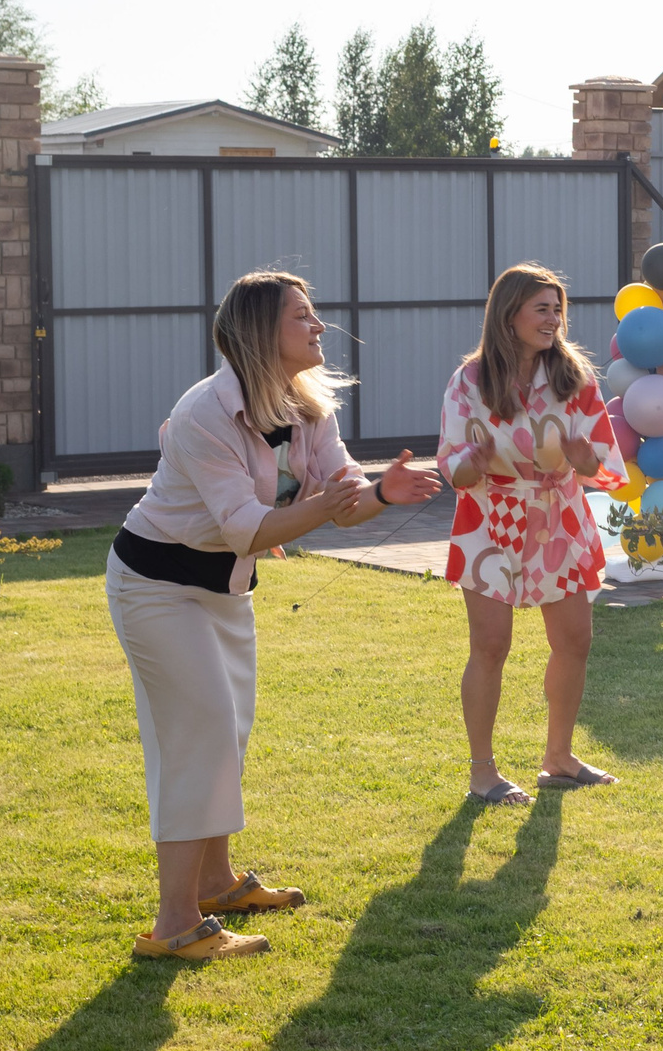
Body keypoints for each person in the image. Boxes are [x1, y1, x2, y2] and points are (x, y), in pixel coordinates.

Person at [108, 271, 442, 961]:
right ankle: (173, 927)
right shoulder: (205, 412)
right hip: (155, 584)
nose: (320, 326)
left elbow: (344, 499)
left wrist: (381, 492)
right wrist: (344, 500)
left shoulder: (309, 409)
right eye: (303, 317)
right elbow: (247, 528)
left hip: (225, 589)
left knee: (227, 730)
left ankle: (218, 883)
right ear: (262, 332)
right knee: (197, 734)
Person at [437, 264, 625, 805]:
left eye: (557, 308)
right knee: (491, 646)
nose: (553, 319)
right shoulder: (469, 381)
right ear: (509, 313)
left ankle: (559, 758)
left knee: (575, 641)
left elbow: (603, 467)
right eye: (541, 308)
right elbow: (453, 470)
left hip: (559, 517)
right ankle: (482, 773)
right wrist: (471, 461)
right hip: (489, 518)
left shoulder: (574, 376)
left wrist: (582, 457)